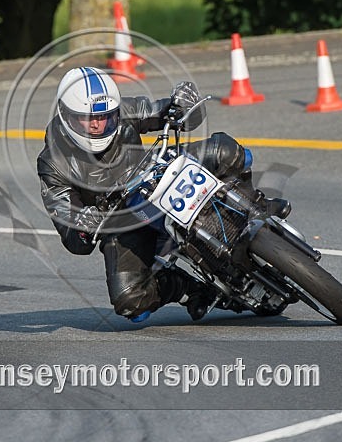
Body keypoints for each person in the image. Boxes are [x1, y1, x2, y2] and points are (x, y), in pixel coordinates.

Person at [36, 67, 289, 322]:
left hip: (159, 176)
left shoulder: (125, 110)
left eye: (106, 116)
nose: (98, 124)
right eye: (87, 117)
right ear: (66, 115)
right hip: (124, 221)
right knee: (130, 300)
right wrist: (82, 224)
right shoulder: (53, 164)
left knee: (224, 149)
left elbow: (175, 114)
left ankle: (255, 206)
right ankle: (189, 289)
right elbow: (70, 232)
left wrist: (183, 103)